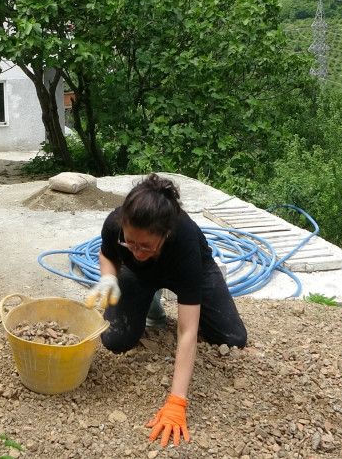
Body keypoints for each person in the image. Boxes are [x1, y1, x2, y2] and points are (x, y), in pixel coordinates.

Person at [85, 173, 247, 447]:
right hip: (139, 274)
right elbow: (108, 254)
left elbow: (187, 330)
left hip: (188, 270)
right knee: (115, 340)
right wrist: (109, 278)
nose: (136, 251)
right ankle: (150, 297)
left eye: (146, 245)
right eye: (130, 242)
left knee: (232, 338)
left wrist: (176, 401)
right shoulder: (115, 224)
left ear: (165, 235)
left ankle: (164, 291)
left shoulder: (183, 241)